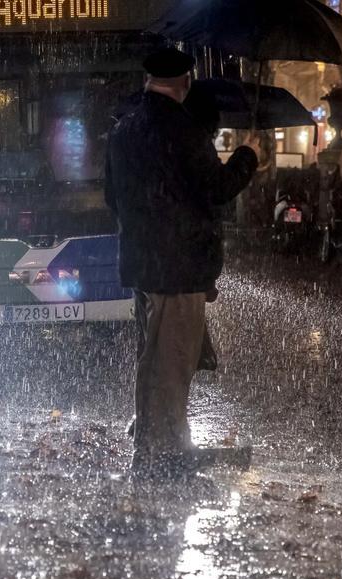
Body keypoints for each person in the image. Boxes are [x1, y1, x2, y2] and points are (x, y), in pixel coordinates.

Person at [105, 47, 261, 477]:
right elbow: (218, 187)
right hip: (179, 268)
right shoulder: (185, 131)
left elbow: (111, 199)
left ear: (148, 80)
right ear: (185, 83)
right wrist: (248, 155)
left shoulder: (123, 131)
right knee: (173, 360)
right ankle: (167, 449)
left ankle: (150, 436)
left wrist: (144, 230)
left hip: (142, 265)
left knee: (150, 355)